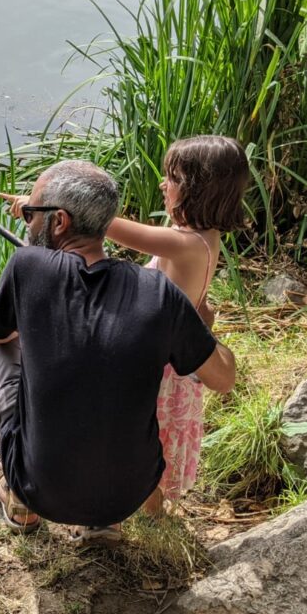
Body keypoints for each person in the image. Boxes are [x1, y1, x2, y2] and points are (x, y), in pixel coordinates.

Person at [0, 159, 236, 544]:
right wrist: (203, 326)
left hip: (42, 491)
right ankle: (102, 523)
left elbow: (0, 336)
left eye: (32, 214)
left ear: (60, 222)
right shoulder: (159, 293)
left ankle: (21, 504)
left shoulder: (27, 265)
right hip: (126, 498)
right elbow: (224, 379)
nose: (28, 222)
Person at [105, 136, 250, 509]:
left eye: (171, 177)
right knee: (154, 440)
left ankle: (152, 523)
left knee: (150, 441)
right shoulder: (204, 237)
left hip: (162, 368)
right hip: (176, 360)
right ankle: (152, 515)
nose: (161, 184)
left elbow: (107, 225)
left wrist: (52, 208)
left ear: (195, 190)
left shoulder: (184, 244)